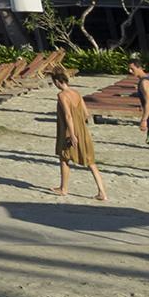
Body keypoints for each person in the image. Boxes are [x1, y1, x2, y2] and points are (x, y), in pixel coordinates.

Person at [52, 71, 107, 201]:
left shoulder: (62, 95)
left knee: (64, 157)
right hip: (82, 130)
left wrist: (71, 134)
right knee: (91, 161)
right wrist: (80, 127)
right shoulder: (76, 93)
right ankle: (102, 192)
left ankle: (63, 188)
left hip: (69, 130)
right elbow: (86, 113)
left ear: (57, 82)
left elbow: (67, 115)